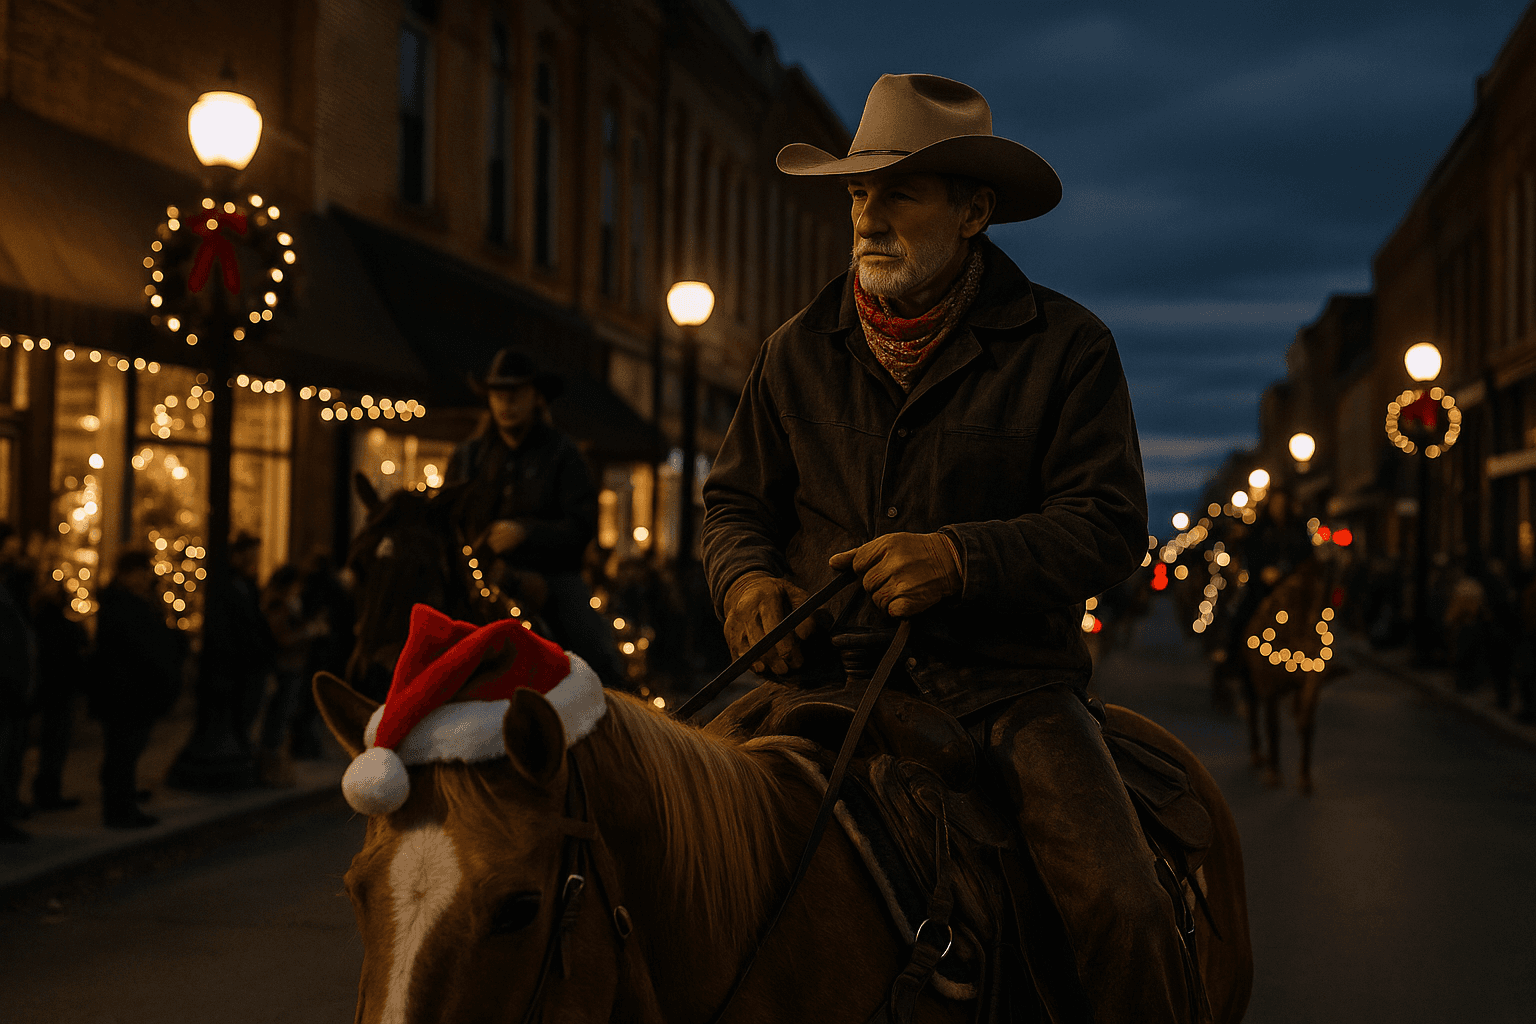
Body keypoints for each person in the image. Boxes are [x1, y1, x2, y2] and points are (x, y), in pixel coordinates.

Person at [701, 75, 1195, 1022]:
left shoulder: (1068, 347)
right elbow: (733, 507)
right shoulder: (794, 350)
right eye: (858, 192)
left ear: (974, 211)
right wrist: (746, 582)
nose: (869, 216)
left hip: (1007, 691)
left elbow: (1106, 525)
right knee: (653, 853)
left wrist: (963, 559)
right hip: (821, 681)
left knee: (1124, 912)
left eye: (900, 192)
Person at [446, 349, 626, 690]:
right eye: (499, 393)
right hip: (479, 575)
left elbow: (582, 526)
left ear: (536, 396)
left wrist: (526, 533)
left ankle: (613, 706)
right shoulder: (468, 457)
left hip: (552, 578)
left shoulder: (564, 453)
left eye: (516, 392)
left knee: (594, 655)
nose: (506, 402)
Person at [90, 550, 186, 828]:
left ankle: (123, 799)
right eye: (142, 571)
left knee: (128, 750)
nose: (147, 577)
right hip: (125, 691)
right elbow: (142, 645)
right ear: (127, 574)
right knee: (122, 750)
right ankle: (119, 808)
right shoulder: (121, 605)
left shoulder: (136, 602)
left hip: (134, 690)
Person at [257, 562, 329, 785]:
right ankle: (271, 771)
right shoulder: (277, 603)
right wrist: (309, 632)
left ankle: (276, 769)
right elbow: (282, 637)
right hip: (286, 667)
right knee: (279, 719)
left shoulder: (286, 602)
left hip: (292, 665)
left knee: (283, 717)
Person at [0, 522, 39, 841]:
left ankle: (8, 806)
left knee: (12, 754)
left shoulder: (11, 588)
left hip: (15, 689)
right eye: (9, 552)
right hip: (5, 689)